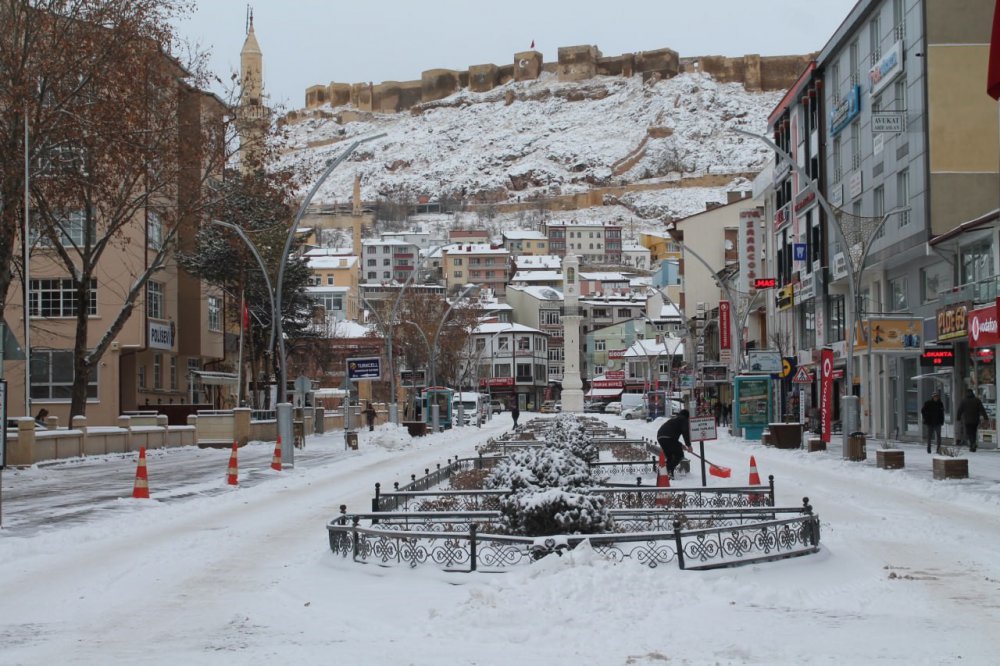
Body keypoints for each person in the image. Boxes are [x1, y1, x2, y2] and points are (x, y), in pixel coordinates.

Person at [656, 409, 693, 478]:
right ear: (687, 416)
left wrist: (680, 445)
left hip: (660, 437)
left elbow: (672, 434)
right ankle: (667, 470)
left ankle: (667, 475)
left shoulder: (675, 419)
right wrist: (689, 445)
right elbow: (685, 433)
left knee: (670, 457)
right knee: (679, 455)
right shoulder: (683, 419)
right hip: (669, 438)